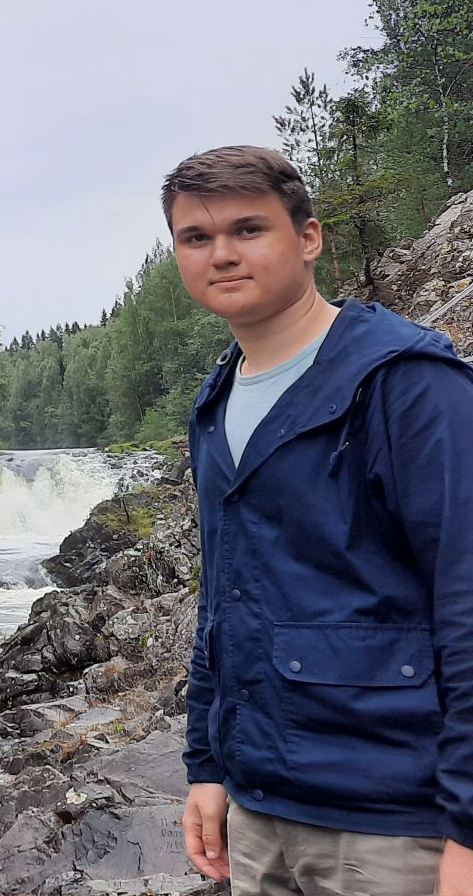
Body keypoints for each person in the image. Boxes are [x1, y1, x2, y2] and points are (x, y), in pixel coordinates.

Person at [167, 145, 473, 895]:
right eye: (196, 238)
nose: (222, 254)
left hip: (393, 822)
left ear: (308, 238)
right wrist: (207, 766)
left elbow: (467, 601)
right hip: (259, 809)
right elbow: (223, 599)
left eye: (248, 229)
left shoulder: (408, 386)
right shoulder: (217, 402)